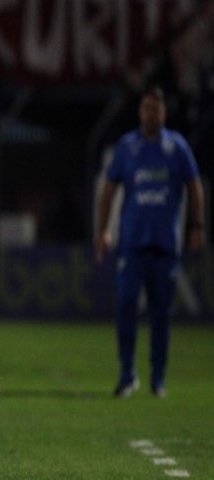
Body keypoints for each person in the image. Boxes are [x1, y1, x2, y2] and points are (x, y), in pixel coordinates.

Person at [95, 86, 206, 398]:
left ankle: (158, 378)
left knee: (161, 315)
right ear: (140, 112)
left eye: (155, 109)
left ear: (164, 113)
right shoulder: (127, 147)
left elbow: (194, 185)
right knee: (126, 307)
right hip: (131, 243)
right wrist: (103, 230)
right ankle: (128, 374)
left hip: (165, 245)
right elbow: (109, 188)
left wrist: (197, 224)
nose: (150, 114)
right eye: (145, 108)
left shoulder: (177, 147)